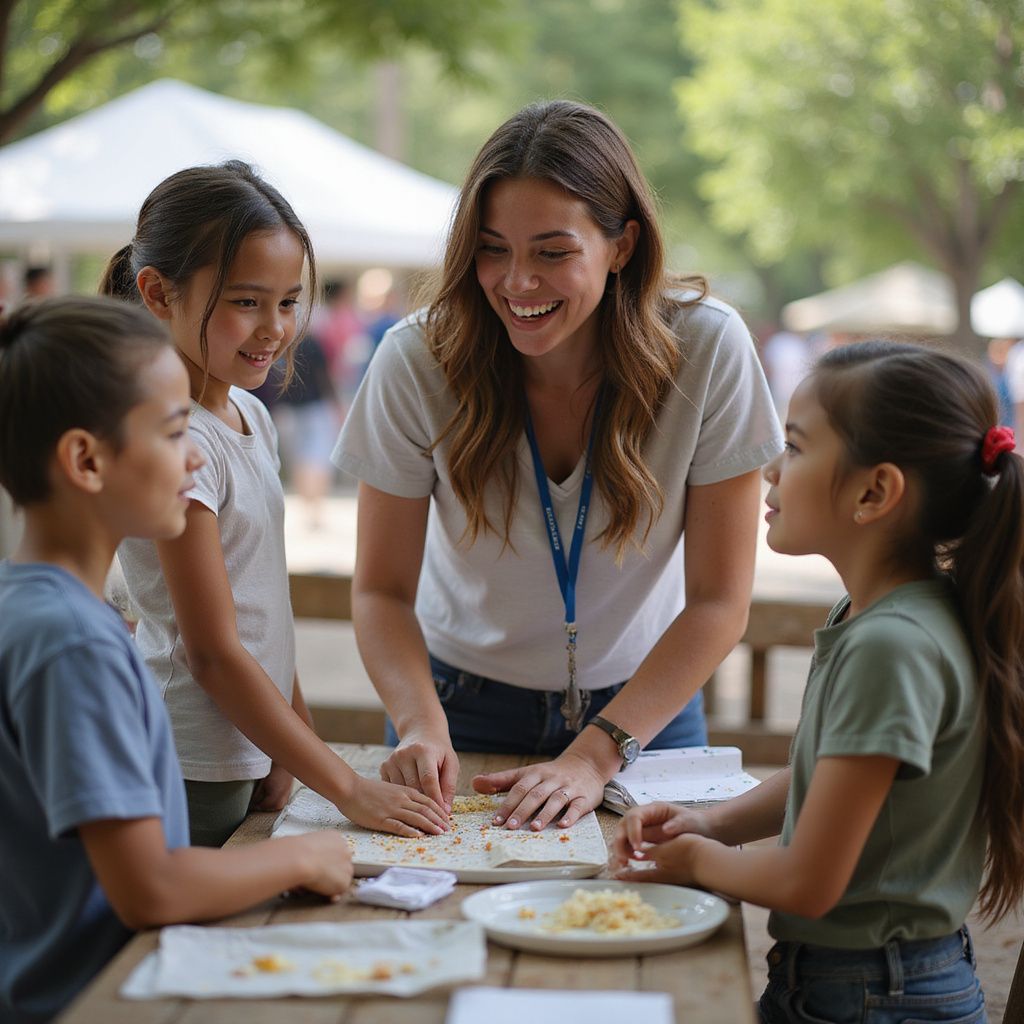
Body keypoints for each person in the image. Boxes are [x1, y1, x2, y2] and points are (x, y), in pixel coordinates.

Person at [333, 101, 782, 832]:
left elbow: (718, 603)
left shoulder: (709, 349)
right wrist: (420, 725)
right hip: (454, 714)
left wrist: (594, 755)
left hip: (647, 712)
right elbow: (381, 591)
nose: (516, 283)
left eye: (551, 251)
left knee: (654, 925)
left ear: (623, 245)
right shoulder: (416, 359)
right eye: (491, 248)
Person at [612, 340, 1024, 1023]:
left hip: (874, 996)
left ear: (874, 491)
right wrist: (712, 823)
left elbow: (808, 882)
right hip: (870, 981)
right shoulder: (884, 618)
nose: (772, 468)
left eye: (797, 447)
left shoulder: (892, 647)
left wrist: (697, 860)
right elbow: (822, 780)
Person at [0, 297, 354, 1023]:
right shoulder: (70, 643)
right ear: (86, 460)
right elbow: (151, 889)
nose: (195, 455)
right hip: (90, 999)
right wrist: (304, 857)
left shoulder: (37, 610)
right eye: (171, 433)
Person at [102, 161, 447, 847]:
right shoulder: (175, 444)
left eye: (288, 302)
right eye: (244, 301)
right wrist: (345, 785)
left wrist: (292, 749)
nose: (274, 329)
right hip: (187, 760)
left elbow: (263, 611)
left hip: (248, 751)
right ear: (158, 294)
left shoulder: (250, 418)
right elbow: (213, 652)